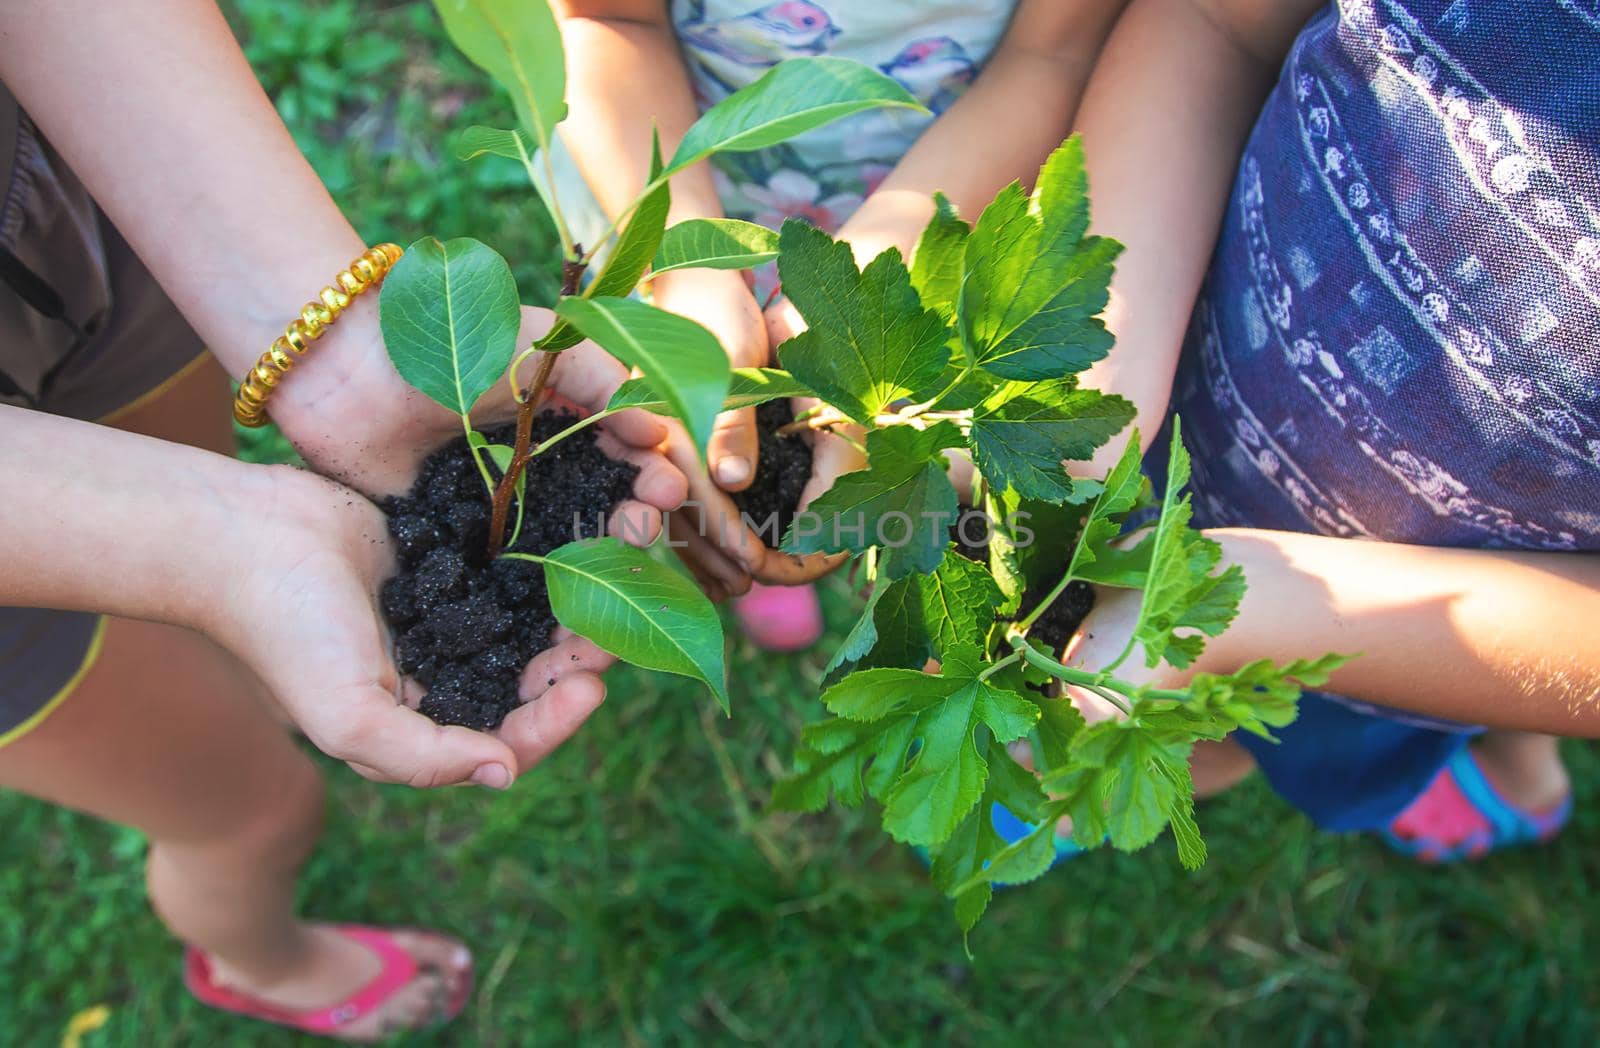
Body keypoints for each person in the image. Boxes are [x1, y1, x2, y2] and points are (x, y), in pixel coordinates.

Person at [0, 2, 683, 1039]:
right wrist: (205, 548)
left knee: (188, 492)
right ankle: (260, 961)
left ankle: (223, 642)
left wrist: (334, 358)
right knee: (249, 808)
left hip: (52, 189)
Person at [1061, 0, 1599, 859]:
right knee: (1185, 703)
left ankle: (1518, 773)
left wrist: (1250, 612)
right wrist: (1096, 377)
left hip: (1418, 633)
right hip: (1186, 401)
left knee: (1295, 733)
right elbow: (1214, 24)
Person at [552, 0, 1130, 649]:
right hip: (677, 183)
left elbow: (1049, 53)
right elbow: (609, 19)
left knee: (845, 421)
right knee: (722, 429)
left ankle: (782, 517)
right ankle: (757, 523)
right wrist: (691, 269)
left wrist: (856, 301)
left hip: (945, 197)